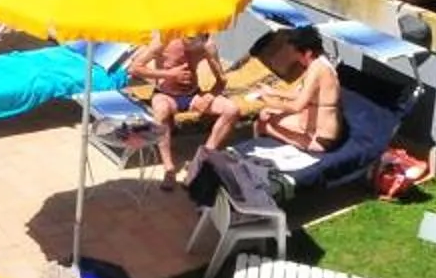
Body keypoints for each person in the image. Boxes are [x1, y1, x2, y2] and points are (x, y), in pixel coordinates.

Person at [202, 28, 344, 159]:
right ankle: (262, 146)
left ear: (307, 53)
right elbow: (303, 96)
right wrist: (272, 91)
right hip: (315, 128)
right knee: (267, 114)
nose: (297, 61)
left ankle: (254, 156)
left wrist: (267, 100)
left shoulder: (316, 69)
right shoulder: (322, 64)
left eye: (298, 56)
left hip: (318, 138)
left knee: (262, 123)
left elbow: (297, 106)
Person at [127, 30, 216, 188]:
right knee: (161, 112)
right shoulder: (164, 39)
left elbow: (222, 78)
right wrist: (170, 74)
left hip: (193, 93)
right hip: (165, 93)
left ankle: (204, 157)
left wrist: (211, 95)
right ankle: (169, 169)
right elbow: (134, 68)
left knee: (231, 110)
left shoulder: (205, 41)